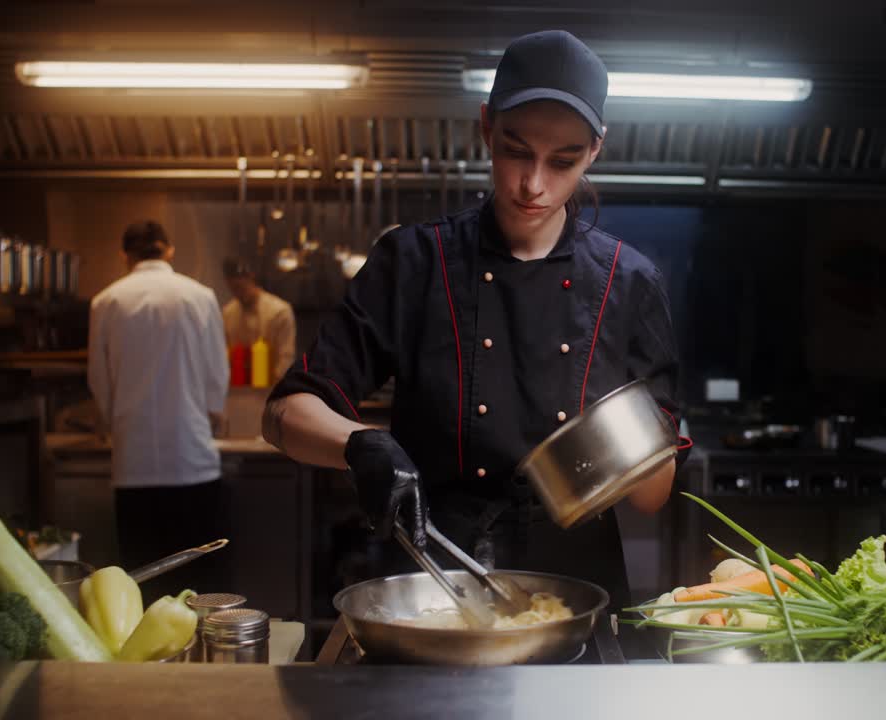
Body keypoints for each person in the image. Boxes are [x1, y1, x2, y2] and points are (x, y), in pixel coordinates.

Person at [261, 30, 687, 611]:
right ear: (486, 126)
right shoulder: (413, 262)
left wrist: (630, 444)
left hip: (579, 593)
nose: (534, 184)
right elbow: (285, 414)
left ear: (595, 150)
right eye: (516, 151)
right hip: (434, 584)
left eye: (563, 161)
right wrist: (359, 443)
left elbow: (651, 499)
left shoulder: (630, 282)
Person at [88, 221, 230, 599]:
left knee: (143, 583)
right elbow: (217, 372)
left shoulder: (106, 302)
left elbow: (99, 379)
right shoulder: (200, 296)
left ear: (125, 256)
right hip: (191, 461)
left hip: (133, 466)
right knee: (199, 585)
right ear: (168, 250)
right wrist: (214, 413)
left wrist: (110, 421)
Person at [220, 257, 297, 378]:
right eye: (233, 289)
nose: (238, 293)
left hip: (272, 383)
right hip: (239, 383)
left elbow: (285, 358)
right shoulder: (228, 313)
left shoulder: (280, 311)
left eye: (240, 287)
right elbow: (225, 353)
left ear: (251, 277)